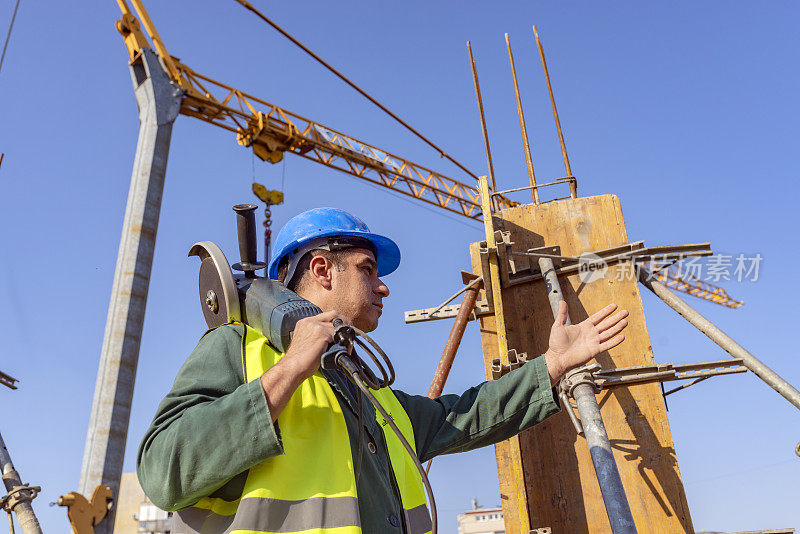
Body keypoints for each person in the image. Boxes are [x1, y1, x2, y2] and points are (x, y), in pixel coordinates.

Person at [137, 207, 629, 534]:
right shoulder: (238, 349)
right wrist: (289, 369)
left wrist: (556, 363)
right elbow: (163, 471)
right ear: (323, 270)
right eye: (368, 269)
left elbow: (468, 414)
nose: (383, 287)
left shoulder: (366, 387)